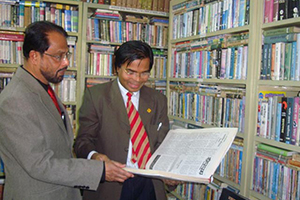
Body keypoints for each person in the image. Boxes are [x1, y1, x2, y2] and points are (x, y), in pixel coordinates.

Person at [0, 21, 132, 200]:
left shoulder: (41, 87)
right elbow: (39, 164)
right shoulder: (15, 100)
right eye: (58, 56)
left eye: (66, 54)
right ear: (34, 56)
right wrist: (99, 171)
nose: (66, 62)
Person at [74, 40, 172, 200]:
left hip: (149, 183)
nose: (137, 79)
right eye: (130, 72)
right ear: (117, 68)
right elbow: (83, 142)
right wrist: (95, 156)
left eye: (144, 73)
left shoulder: (158, 100)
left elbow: (163, 143)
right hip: (111, 183)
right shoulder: (96, 96)